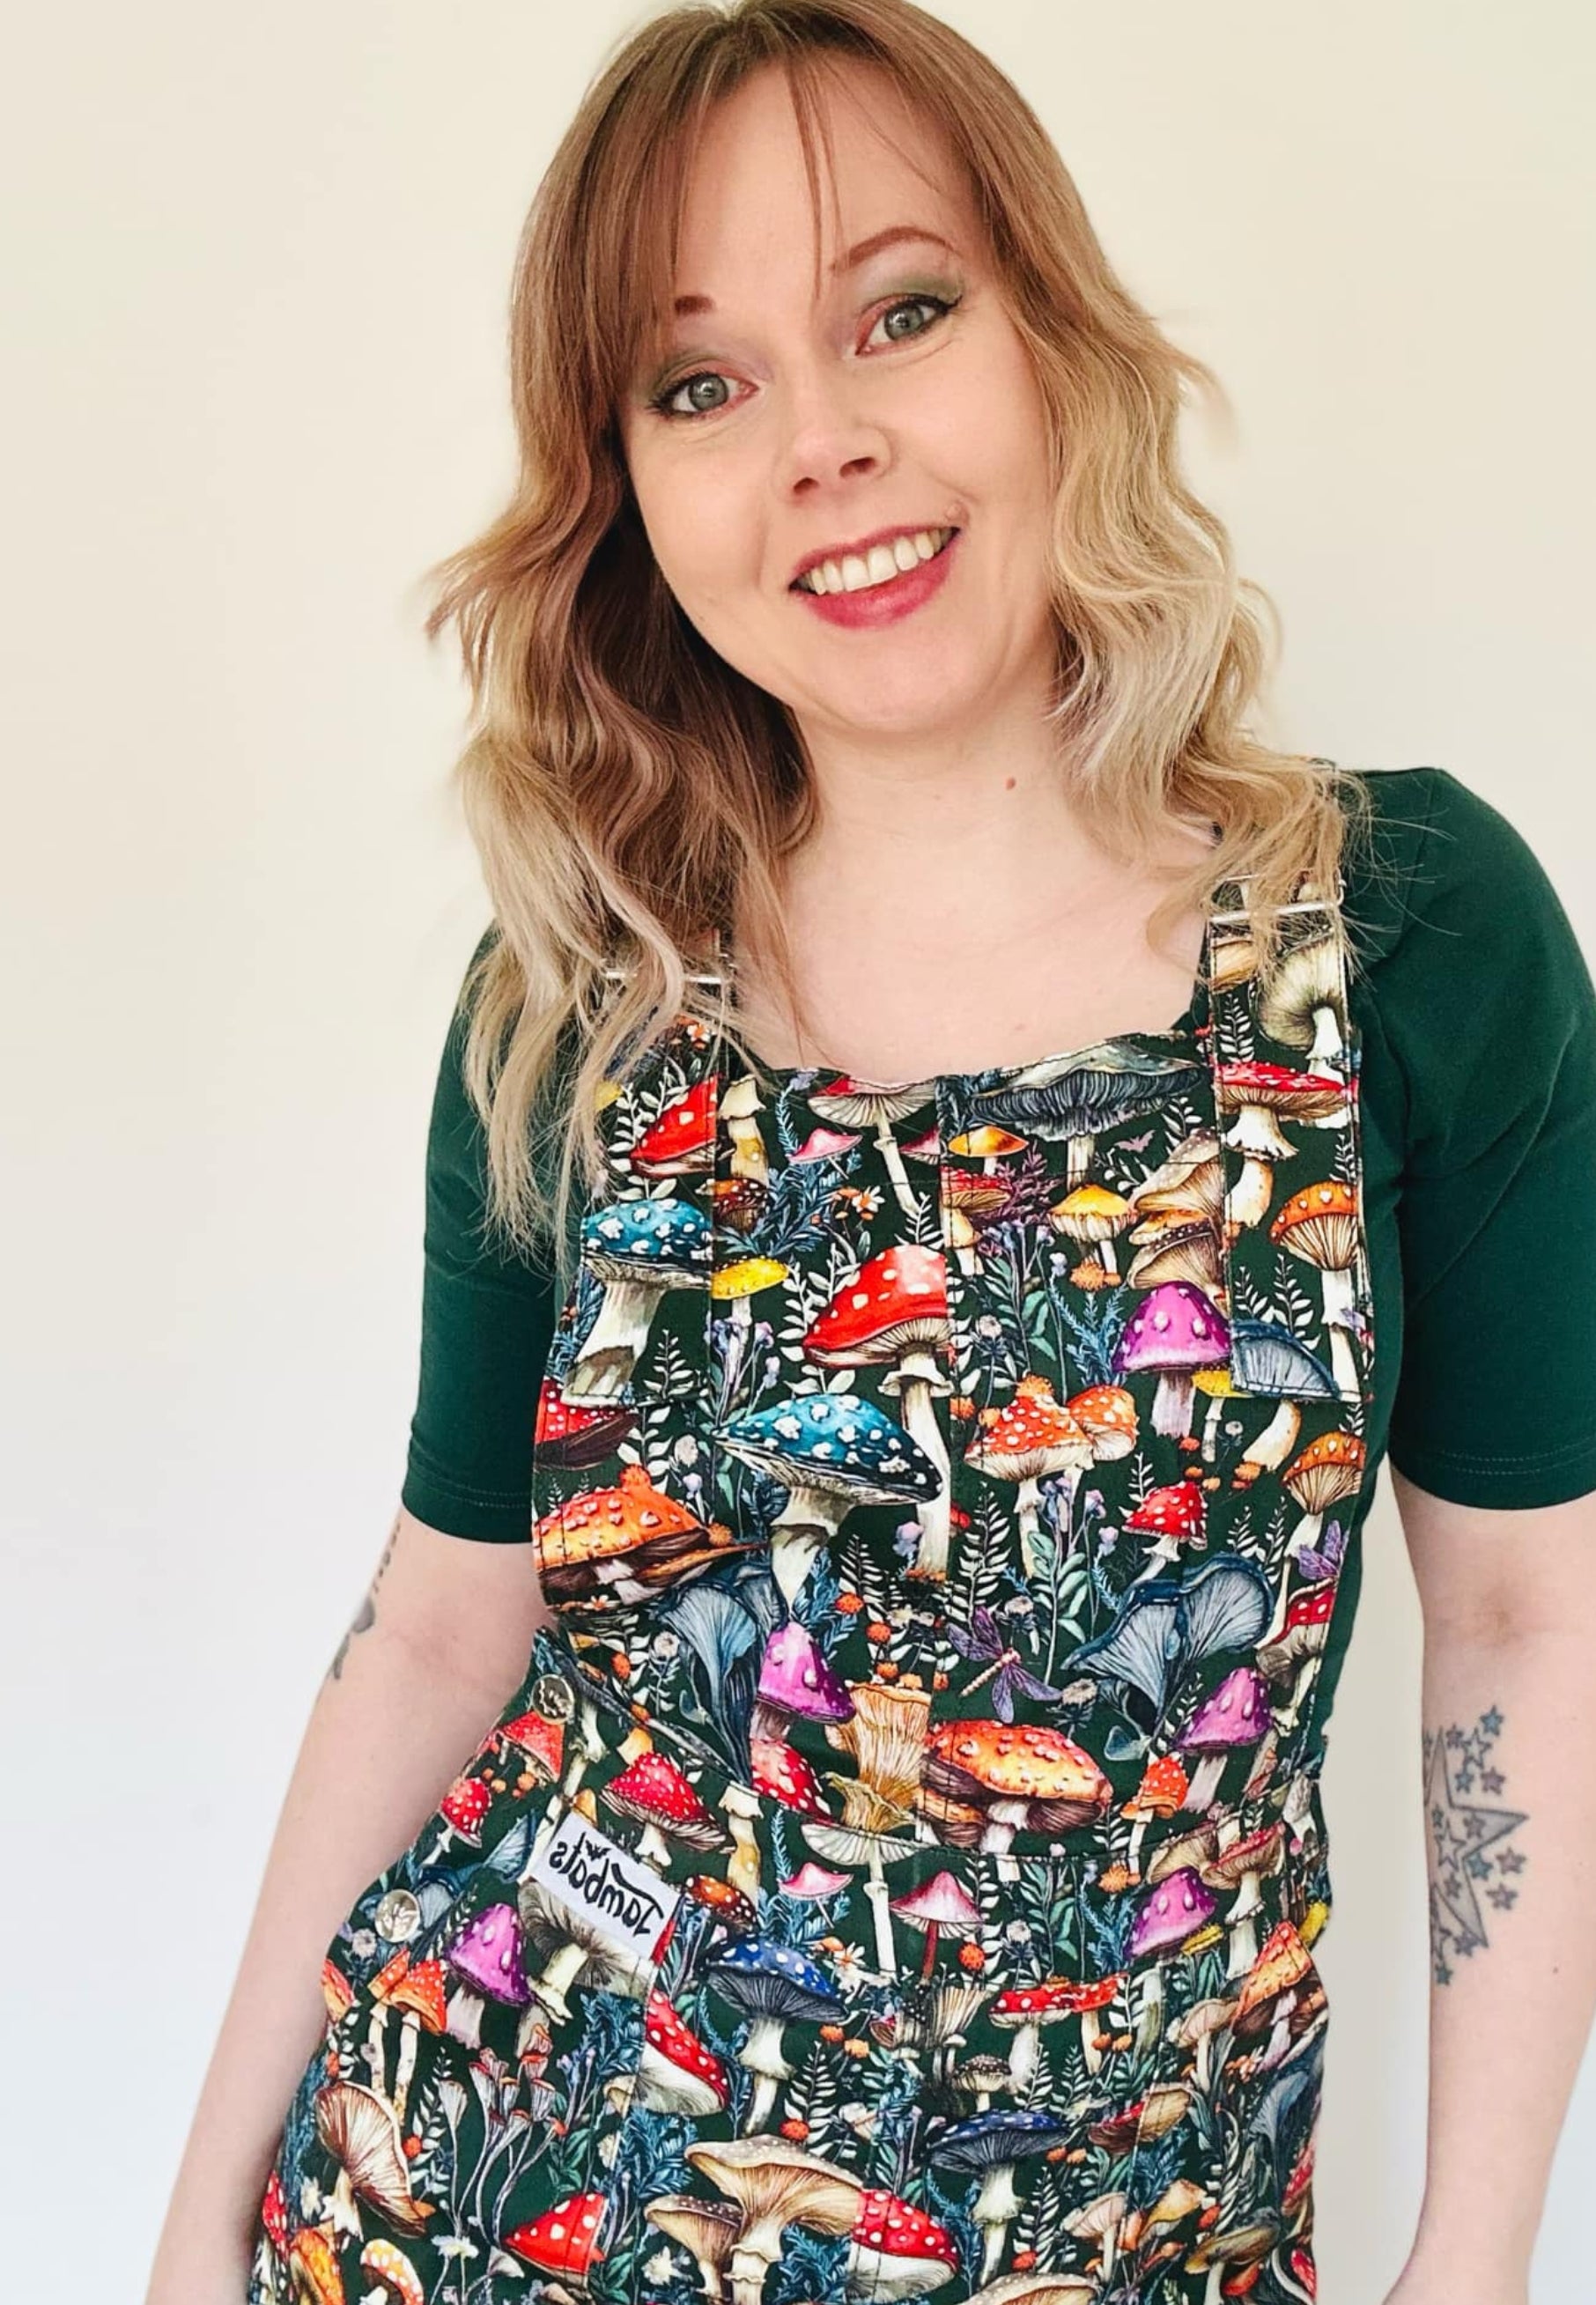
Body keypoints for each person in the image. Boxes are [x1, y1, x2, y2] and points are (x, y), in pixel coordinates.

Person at [145, 4, 1596, 2301]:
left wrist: (1478, 2253)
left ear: (1048, 344)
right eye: (698, 383)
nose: (821, 444)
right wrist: (193, 2217)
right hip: (488, 2205)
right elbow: (439, 1616)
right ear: (621, 486)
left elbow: (1522, 1610)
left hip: (1117, 2244)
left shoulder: (1405, 937)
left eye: (898, 311)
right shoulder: (579, 1002)